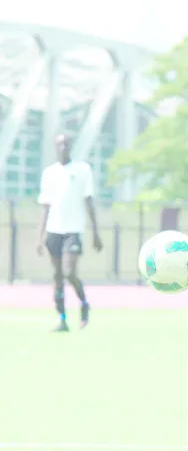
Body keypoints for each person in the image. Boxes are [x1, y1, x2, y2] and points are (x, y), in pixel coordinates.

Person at [37, 134, 103, 332]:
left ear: (71, 146)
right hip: (54, 230)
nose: (63, 147)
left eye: (66, 144)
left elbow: (88, 201)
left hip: (73, 230)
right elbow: (46, 206)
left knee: (69, 273)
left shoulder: (82, 170)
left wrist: (96, 232)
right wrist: (39, 237)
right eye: (59, 144)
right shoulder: (49, 173)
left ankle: (84, 303)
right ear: (55, 147)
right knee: (57, 276)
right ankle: (63, 319)